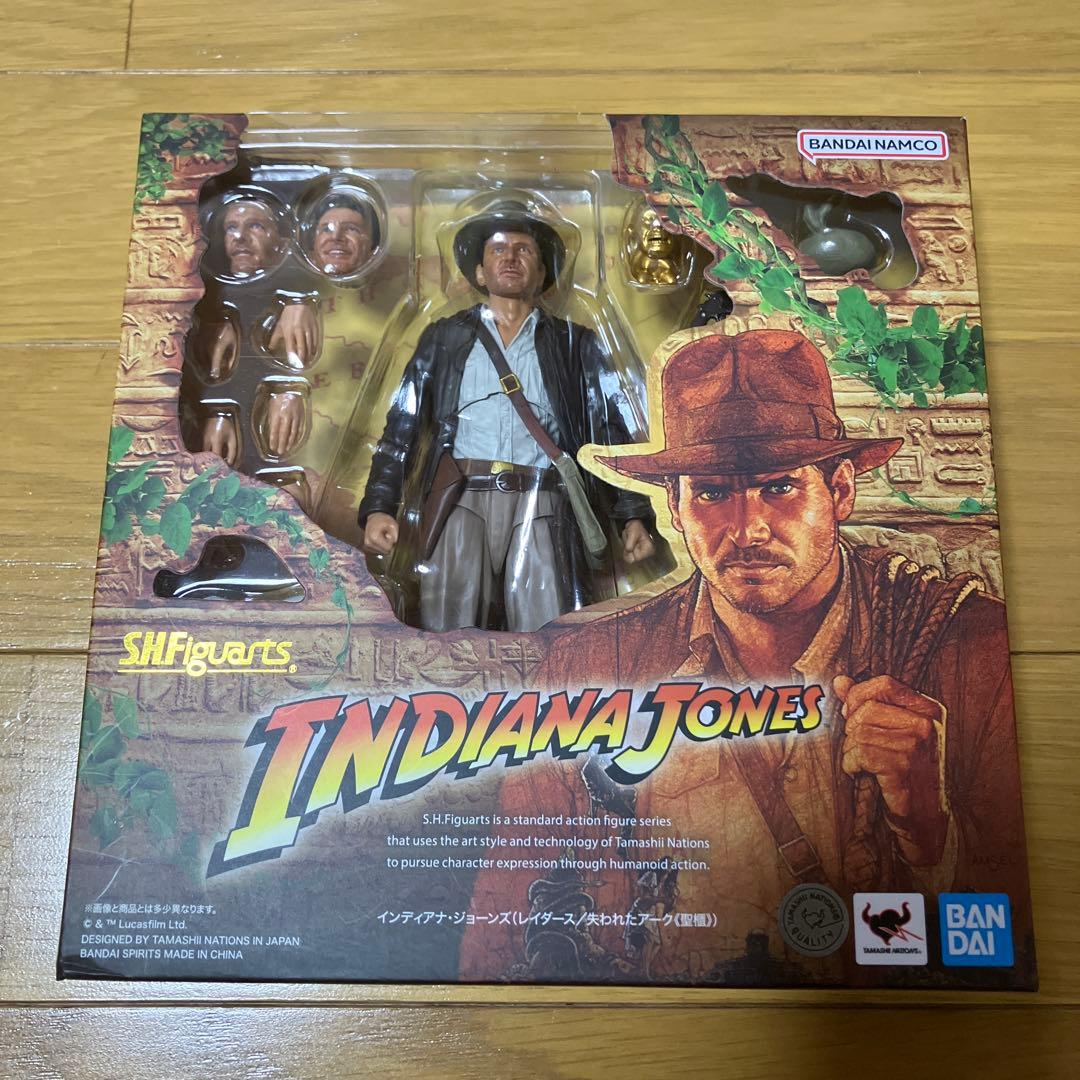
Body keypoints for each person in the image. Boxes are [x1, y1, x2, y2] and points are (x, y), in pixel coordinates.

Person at [461, 328, 1029, 983]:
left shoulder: (971, 652)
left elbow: (1024, 943)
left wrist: (931, 836)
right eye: (711, 492)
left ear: (841, 491)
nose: (747, 529)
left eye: (779, 486)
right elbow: (499, 941)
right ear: (675, 508)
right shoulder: (589, 667)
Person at [358, 197, 656, 632]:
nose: (510, 258)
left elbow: (608, 432)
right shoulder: (444, 338)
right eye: (498, 249)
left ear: (542, 271)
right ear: (480, 271)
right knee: (447, 629)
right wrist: (380, 507)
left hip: (543, 500)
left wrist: (632, 514)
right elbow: (403, 427)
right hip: (460, 497)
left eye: (524, 250)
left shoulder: (574, 343)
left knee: (550, 629)